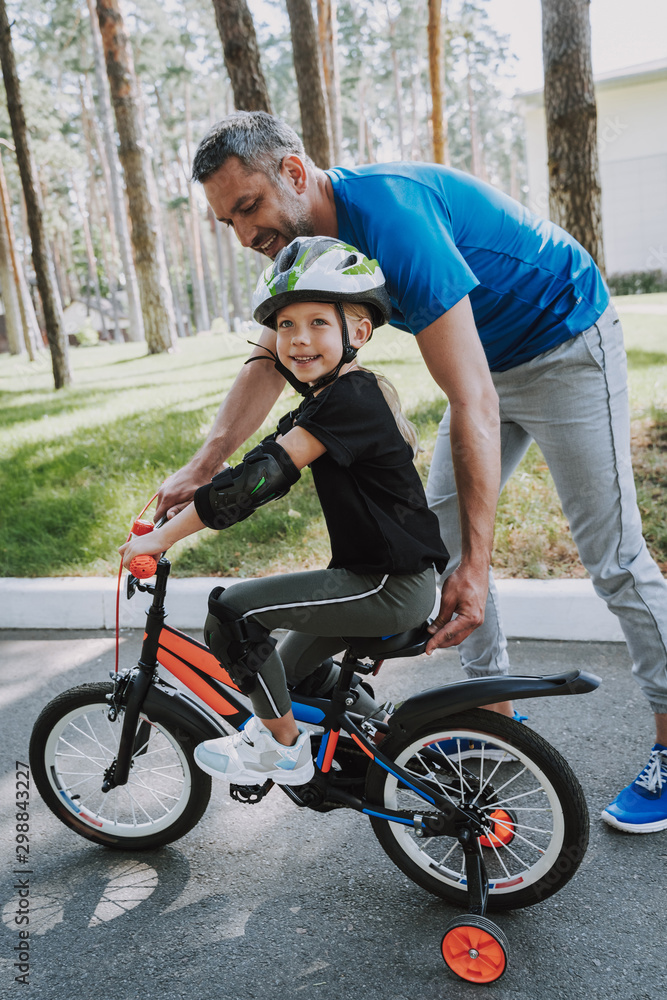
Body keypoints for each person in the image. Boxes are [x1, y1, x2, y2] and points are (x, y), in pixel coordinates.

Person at [154, 111, 667, 833]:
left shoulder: (393, 217)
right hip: (485, 367)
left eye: (249, 207)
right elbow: (268, 358)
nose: (244, 235)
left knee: (612, 558)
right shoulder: (308, 253)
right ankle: (494, 728)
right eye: (227, 221)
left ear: (294, 174)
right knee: (443, 549)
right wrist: (203, 463)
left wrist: (479, 564)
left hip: (565, 344)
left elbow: (472, 399)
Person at [121, 237, 448, 785]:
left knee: (234, 616)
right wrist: (192, 492)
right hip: (378, 580)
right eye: (286, 325)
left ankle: (282, 748)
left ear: (358, 332)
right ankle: (394, 748)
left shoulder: (350, 400)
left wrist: (161, 540)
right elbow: (253, 466)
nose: (298, 338)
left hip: (386, 587)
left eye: (318, 322)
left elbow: (256, 483)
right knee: (292, 677)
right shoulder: (331, 399)